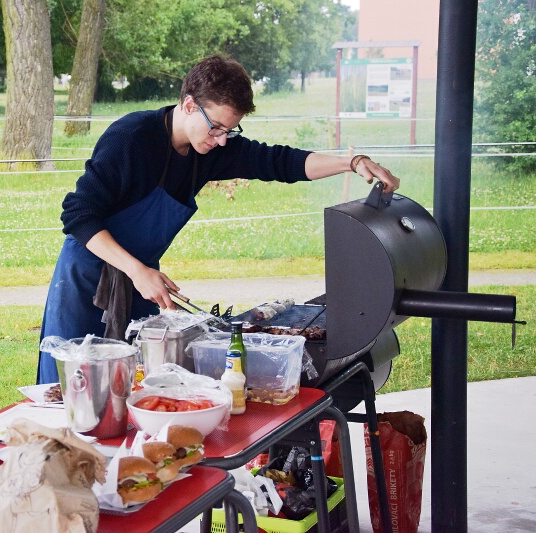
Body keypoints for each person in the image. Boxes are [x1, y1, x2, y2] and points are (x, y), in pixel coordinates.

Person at [36, 54, 400, 384]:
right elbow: (78, 214)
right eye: (217, 128)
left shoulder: (206, 149)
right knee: (70, 390)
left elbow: (280, 162)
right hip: (87, 278)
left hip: (143, 280)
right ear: (189, 104)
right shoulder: (132, 138)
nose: (223, 141)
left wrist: (351, 163)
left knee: (141, 383)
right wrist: (136, 270)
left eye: (230, 130)